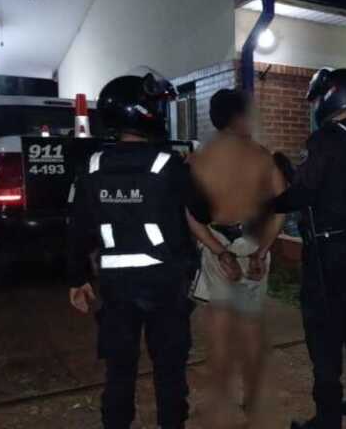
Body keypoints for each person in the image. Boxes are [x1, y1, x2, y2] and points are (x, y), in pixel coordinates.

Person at [67, 72, 204, 429]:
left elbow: (78, 228)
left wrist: (78, 279)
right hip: (165, 284)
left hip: (116, 287)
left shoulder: (92, 167)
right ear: (145, 113)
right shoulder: (169, 164)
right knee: (169, 373)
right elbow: (203, 212)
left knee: (119, 373)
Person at [271, 68, 346, 429]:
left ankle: (327, 418)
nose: (316, 104)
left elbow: (303, 193)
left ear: (332, 97)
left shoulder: (325, 139)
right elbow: (339, 187)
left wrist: (268, 203)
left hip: (330, 255)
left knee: (324, 338)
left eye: (319, 97)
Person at [185, 88, 286, 427]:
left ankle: (221, 405)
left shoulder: (200, 159)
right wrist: (262, 250)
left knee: (219, 330)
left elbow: (191, 215)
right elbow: (281, 209)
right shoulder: (262, 157)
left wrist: (219, 252)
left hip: (217, 244)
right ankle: (253, 400)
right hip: (253, 245)